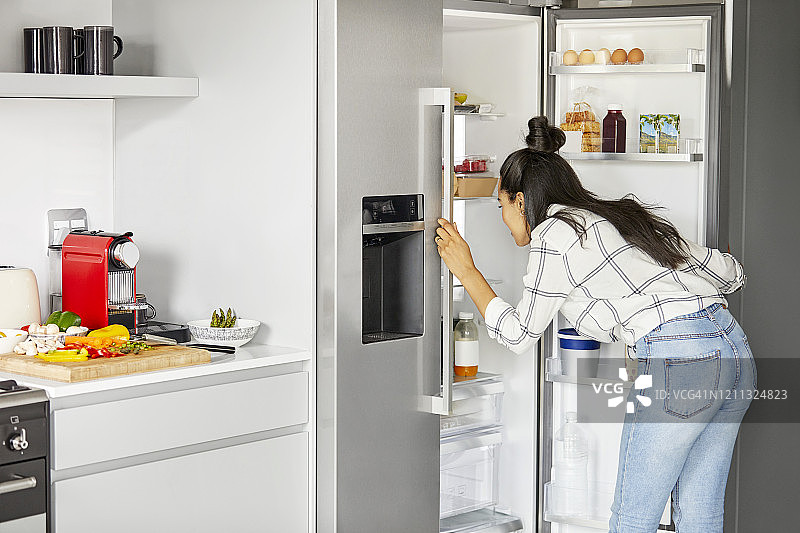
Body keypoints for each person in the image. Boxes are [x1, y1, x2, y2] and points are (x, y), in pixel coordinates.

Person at [435, 116, 754, 533]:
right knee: (699, 512)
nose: (502, 218)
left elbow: (518, 334)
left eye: (501, 206)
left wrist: (467, 270)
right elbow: (731, 273)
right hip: (734, 352)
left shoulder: (554, 233)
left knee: (631, 520)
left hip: (680, 358)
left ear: (520, 200)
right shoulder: (620, 215)